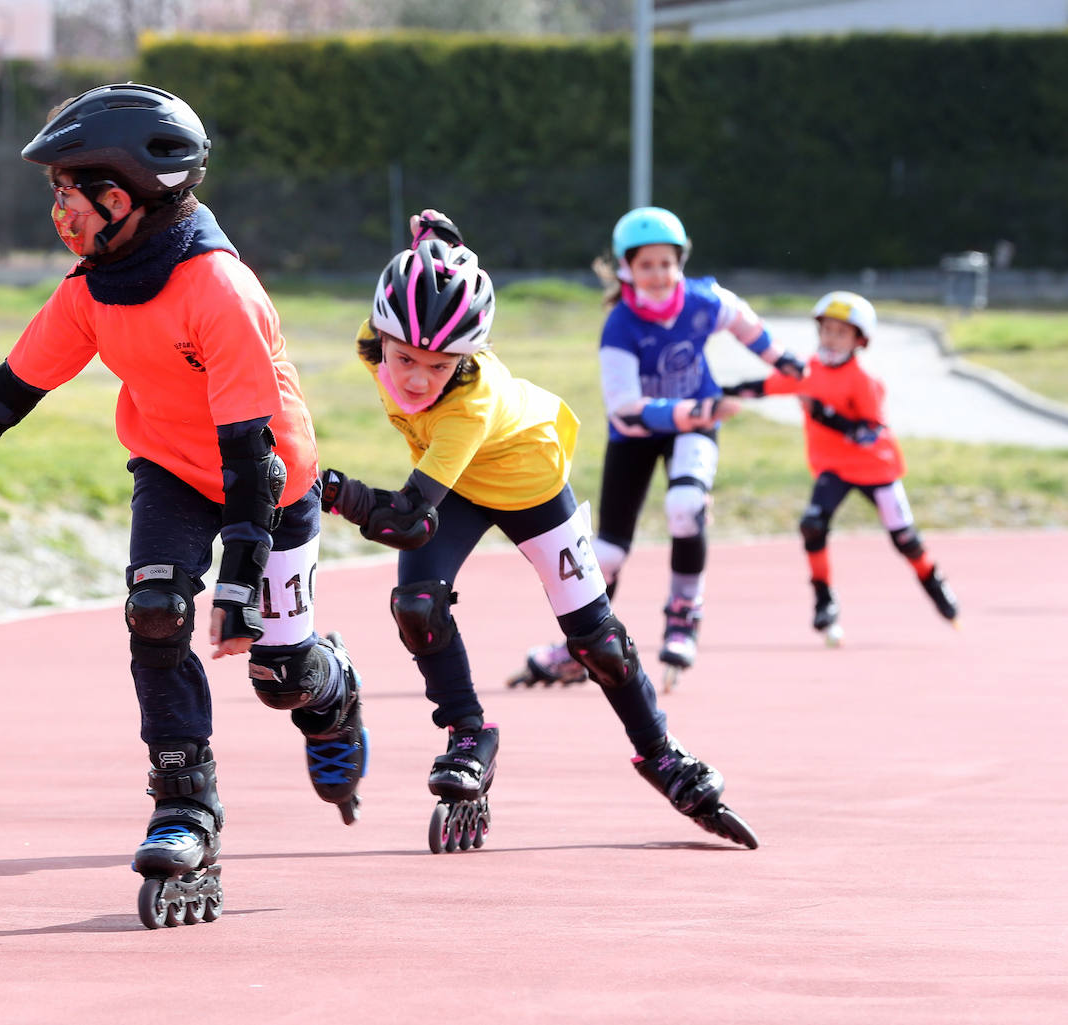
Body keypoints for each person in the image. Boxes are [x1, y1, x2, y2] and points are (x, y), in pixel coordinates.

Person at [0, 83, 368, 929]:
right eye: (54, 189)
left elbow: (253, 450)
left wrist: (242, 575)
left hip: (270, 487)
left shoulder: (219, 289)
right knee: (157, 611)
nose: (58, 209)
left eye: (70, 189)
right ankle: (185, 808)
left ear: (127, 194)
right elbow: (7, 391)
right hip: (171, 466)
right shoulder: (95, 289)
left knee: (279, 676)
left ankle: (333, 685)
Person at [319, 210, 758, 852]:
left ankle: (662, 754)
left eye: (439, 366)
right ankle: (470, 734)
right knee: (416, 605)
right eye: (404, 357)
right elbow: (428, 282)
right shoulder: (376, 337)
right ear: (379, 334)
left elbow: (407, 520)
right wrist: (436, 243)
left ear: (466, 359)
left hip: (531, 485)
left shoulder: (470, 402)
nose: (415, 379)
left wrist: (334, 491)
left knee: (596, 642)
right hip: (459, 486)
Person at [509, 206, 805, 691]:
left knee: (686, 506)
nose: (659, 275)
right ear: (627, 269)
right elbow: (625, 408)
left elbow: (745, 322)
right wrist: (695, 411)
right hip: (638, 435)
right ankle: (579, 647)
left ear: (681, 261)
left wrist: (780, 358)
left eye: (667, 263)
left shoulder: (704, 300)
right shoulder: (621, 327)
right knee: (604, 554)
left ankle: (684, 614)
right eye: (647, 265)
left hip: (693, 426)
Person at [721, 290, 960, 642]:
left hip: (876, 470)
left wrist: (825, 416)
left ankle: (934, 583)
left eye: (841, 333)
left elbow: (870, 433)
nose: (831, 339)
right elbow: (762, 387)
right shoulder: (807, 370)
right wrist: (716, 390)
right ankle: (823, 599)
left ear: (859, 340)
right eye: (827, 330)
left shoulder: (864, 381)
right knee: (813, 525)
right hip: (833, 468)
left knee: (905, 539)